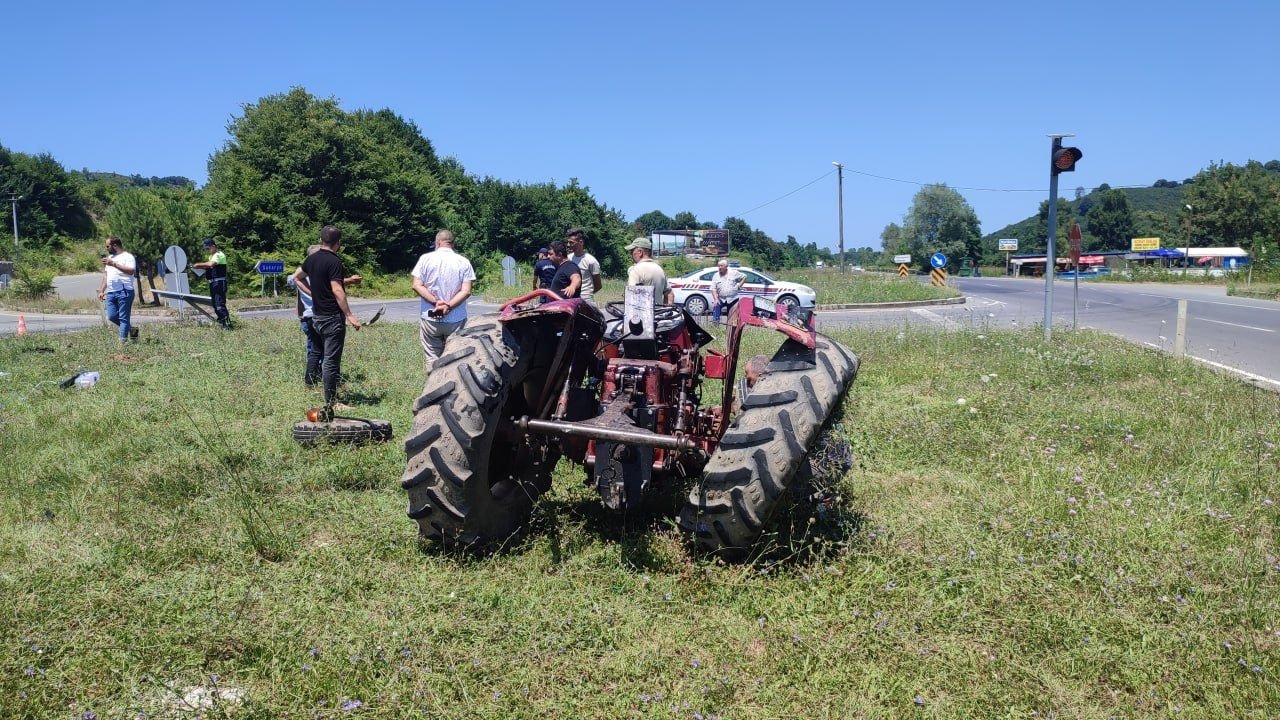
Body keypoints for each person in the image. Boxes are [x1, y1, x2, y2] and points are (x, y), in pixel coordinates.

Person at [293, 225, 362, 410]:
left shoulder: (311, 259)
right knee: (331, 361)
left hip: (317, 317)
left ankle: (321, 391)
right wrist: (349, 315)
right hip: (332, 317)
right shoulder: (334, 262)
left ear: (321, 239)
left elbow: (296, 278)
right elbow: (337, 289)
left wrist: (312, 294)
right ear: (338, 243)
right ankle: (332, 403)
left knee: (319, 353)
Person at [410, 229, 476, 370]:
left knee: (432, 357)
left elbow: (416, 285)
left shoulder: (425, 259)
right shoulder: (463, 262)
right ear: (453, 244)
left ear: (437, 242)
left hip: (430, 316)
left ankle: (432, 386)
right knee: (454, 358)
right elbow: (466, 291)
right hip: (455, 319)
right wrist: (448, 306)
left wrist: (436, 302)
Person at [97, 236, 137, 342]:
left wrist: (114, 264)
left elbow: (131, 271)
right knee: (111, 316)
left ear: (115, 245)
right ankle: (132, 329)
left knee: (124, 318)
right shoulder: (110, 258)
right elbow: (106, 275)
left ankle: (122, 343)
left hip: (124, 291)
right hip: (111, 292)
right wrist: (101, 290)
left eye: (107, 246)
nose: (106, 248)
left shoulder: (127, 257)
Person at [191, 237, 232, 328]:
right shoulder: (211, 256)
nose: (207, 250)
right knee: (215, 304)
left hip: (219, 283)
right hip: (213, 283)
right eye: (206, 248)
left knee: (219, 304)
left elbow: (210, 264)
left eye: (208, 248)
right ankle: (222, 322)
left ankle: (227, 324)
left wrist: (198, 265)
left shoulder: (219, 254)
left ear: (213, 246)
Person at [624, 237, 672, 303]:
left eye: (632, 251)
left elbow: (632, 296)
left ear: (640, 252)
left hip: (640, 313)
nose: (631, 254)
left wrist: (626, 295)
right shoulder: (659, 269)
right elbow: (670, 294)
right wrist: (666, 311)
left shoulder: (635, 270)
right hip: (658, 313)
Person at [565, 227, 603, 307]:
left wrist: (586, 295)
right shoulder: (568, 258)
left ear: (581, 242)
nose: (568, 245)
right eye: (567, 242)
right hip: (570, 300)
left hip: (586, 302)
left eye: (571, 243)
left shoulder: (591, 261)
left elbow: (598, 285)